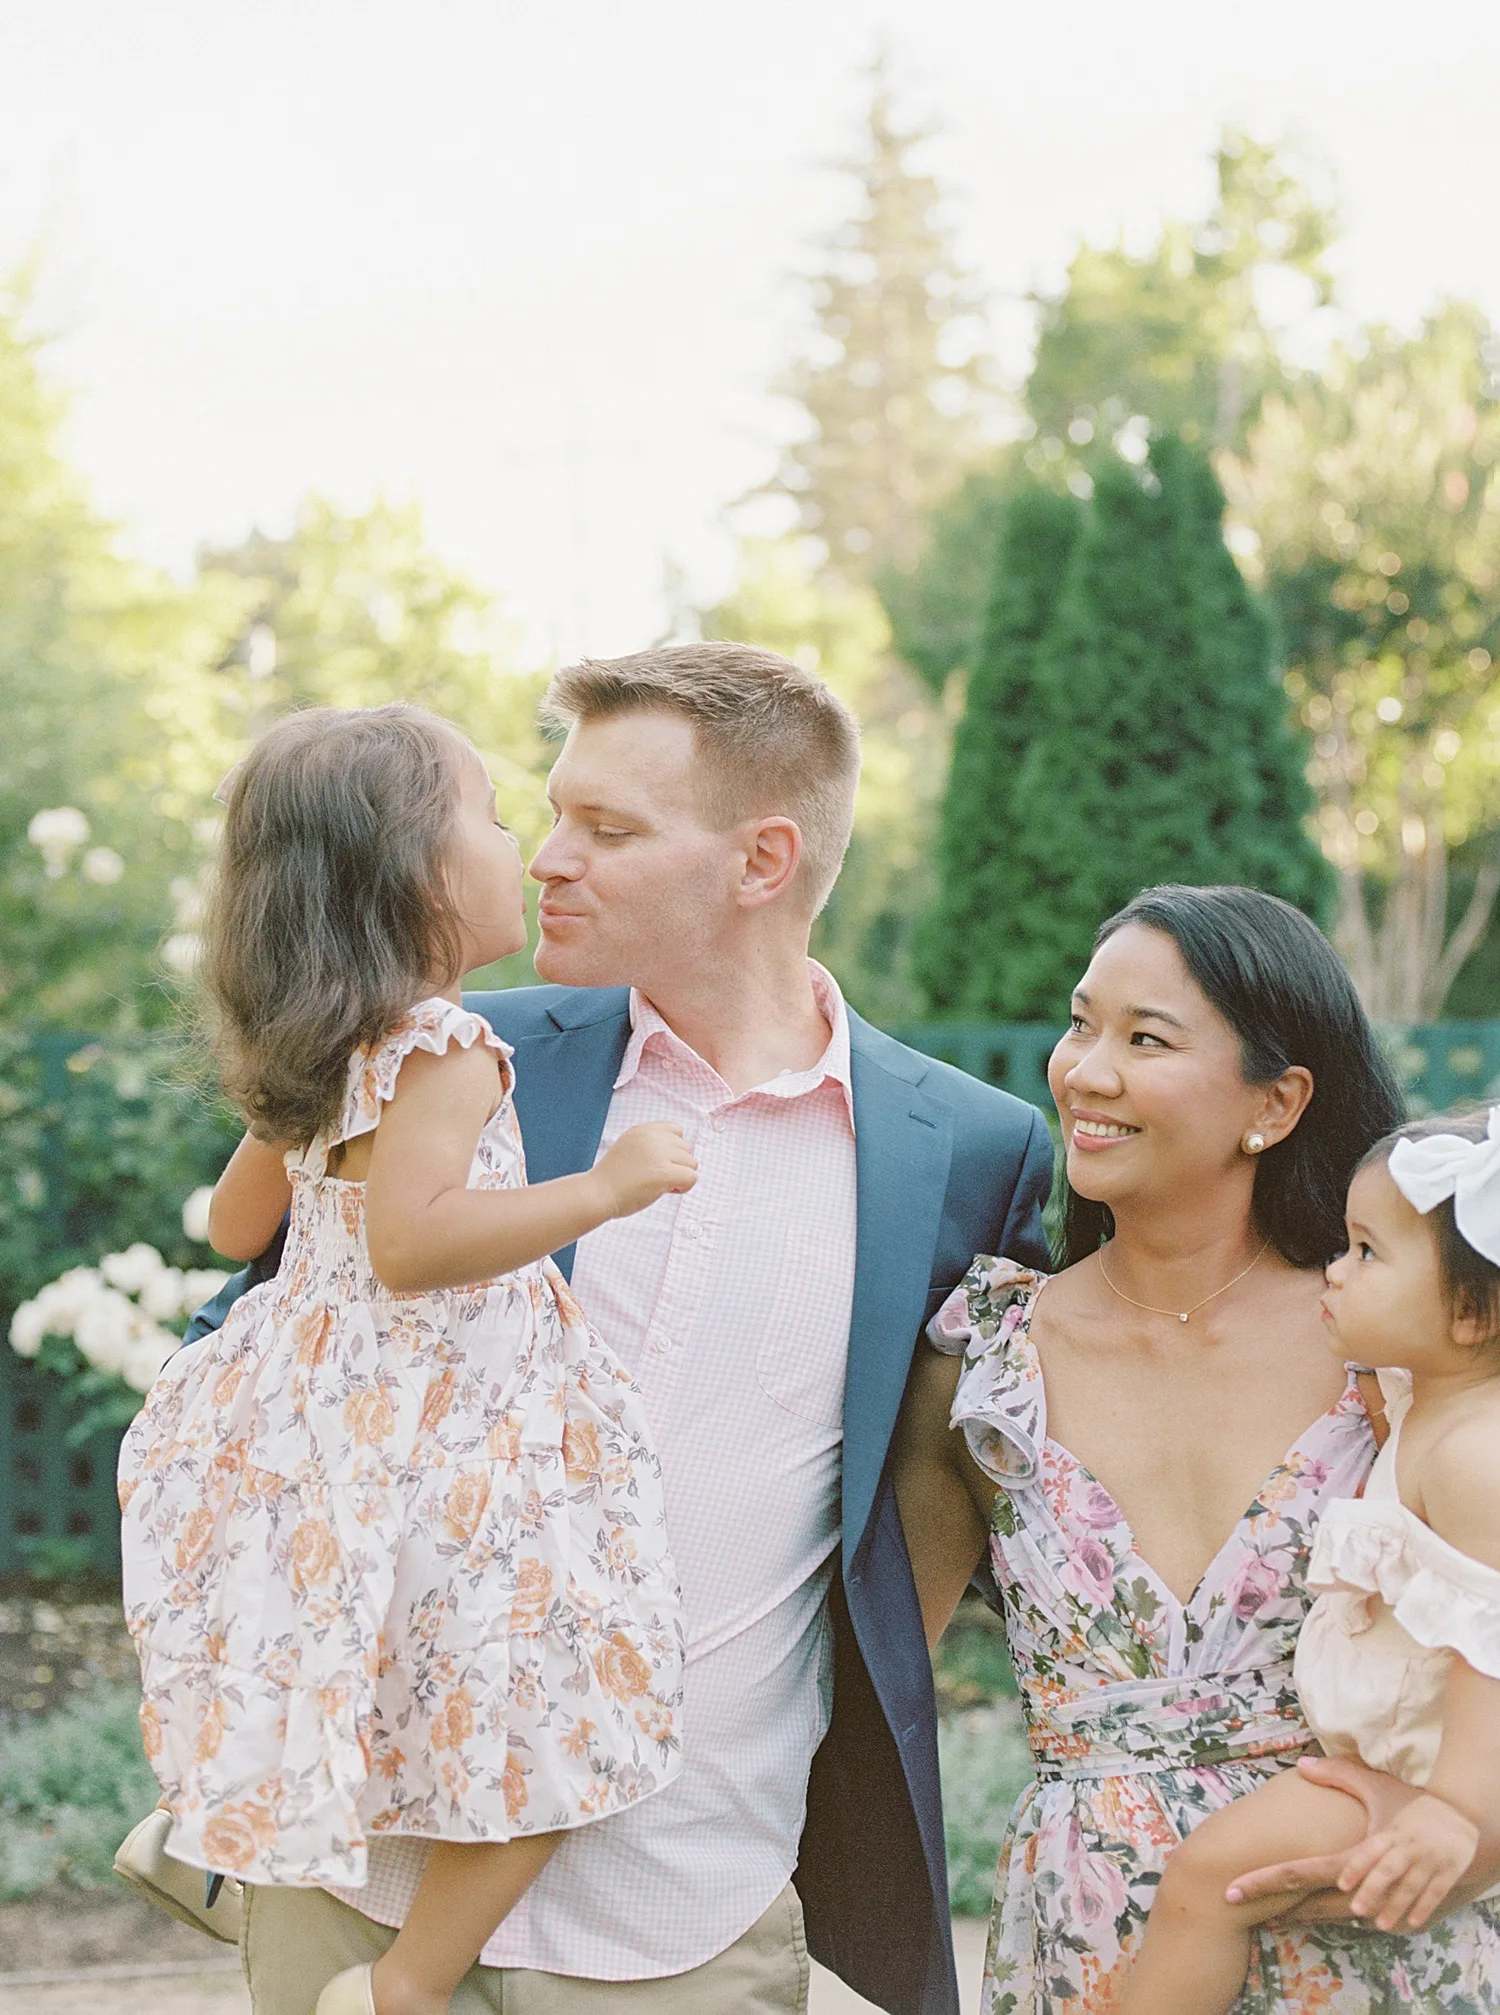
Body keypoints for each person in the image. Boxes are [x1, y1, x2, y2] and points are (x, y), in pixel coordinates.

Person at [171, 643, 1055, 2015]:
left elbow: (949, 1472)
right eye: (549, 810)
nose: (547, 857)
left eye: (610, 828)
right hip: (362, 1876)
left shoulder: (972, 1151)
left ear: (762, 860)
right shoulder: (450, 1044)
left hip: (688, 1902)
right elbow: (272, 1332)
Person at [118, 705, 693, 2015]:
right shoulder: (442, 1045)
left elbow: (230, 1224)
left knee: (370, 1672)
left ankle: (254, 1841)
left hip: (327, 1430)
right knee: (567, 1714)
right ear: (414, 875)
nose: (525, 849)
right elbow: (415, 1245)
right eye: (493, 817)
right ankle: (406, 1983)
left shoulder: (320, 1048)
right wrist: (605, 1189)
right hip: (444, 1429)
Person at [893, 883, 1500, 2013]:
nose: (1084, 1069)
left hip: (1380, 1939)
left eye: (1145, 1038)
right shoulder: (982, 1362)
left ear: (1276, 1099)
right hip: (1094, 1946)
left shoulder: (1402, 1359)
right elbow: (874, 1687)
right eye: (1081, 1024)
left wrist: (1472, 1841)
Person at [1119, 1106, 1500, 2013]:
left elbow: (1494, 1643)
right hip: (1394, 1765)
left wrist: (1460, 1810)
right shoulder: (1426, 1398)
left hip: (1429, 1777)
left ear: (1473, 1311)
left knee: (1205, 1878)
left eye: (1368, 1253)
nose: (1336, 1269)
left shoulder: (1474, 1454)